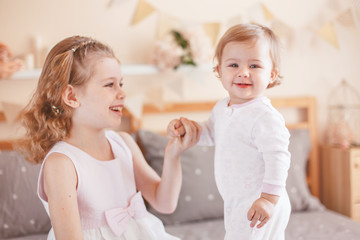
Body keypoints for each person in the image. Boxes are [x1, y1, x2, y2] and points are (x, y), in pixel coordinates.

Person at [19, 35, 200, 240]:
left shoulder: (124, 143)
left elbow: (165, 203)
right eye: (109, 85)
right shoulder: (62, 164)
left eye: (121, 83)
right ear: (71, 96)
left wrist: (173, 154)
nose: (122, 93)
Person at [168, 23, 291, 240]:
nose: (243, 73)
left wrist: (268, 200)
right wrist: (191, 129)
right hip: (237, 200)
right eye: (233, 65)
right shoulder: (222, 108)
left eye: (254, 66)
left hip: (260, 201)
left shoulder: (265, 116)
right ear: (219, 71)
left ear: (272, 74)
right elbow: (212, 133)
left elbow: (278, 159)